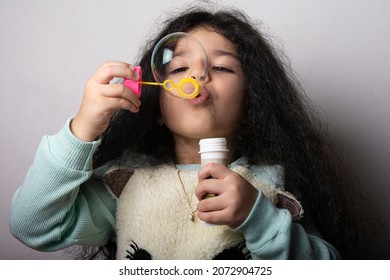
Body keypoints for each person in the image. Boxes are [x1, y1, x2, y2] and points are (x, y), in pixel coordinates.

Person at [9, 5, 376, 260]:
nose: (198, 76)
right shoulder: (128, 184)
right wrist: (82, 130)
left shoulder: (271, 187)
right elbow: (33, 225)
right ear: (156, 106)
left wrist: (258, 216)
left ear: (253, 106)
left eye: (221, 67)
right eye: (179, 66)